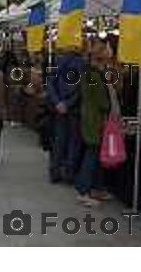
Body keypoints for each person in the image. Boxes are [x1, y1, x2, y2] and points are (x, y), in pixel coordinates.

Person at [75, 40, 111, 206]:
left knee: (94, 155)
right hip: (94, 120)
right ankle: (83, 190)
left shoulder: (86, 73)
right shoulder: (94, 75)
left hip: (88, 117)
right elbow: (102, 102)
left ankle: (95, 188)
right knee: (91, 155)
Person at [47, 47, 85, 183]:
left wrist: (57, 102)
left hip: (59, 108)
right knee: (73, 142)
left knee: (59, 140)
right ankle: (69, 173)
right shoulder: (83, 63)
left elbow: (50, 83)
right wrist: (68, 104)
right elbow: (81, 88)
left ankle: (55, 171)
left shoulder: (58, 61)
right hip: (74, 109)